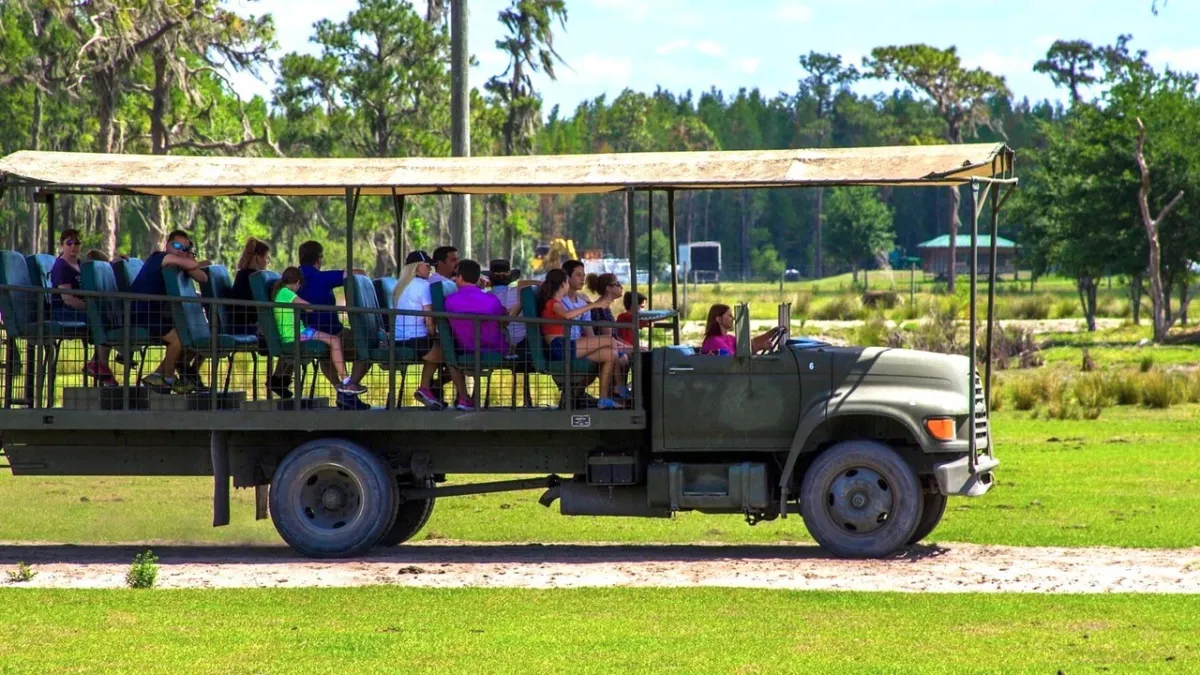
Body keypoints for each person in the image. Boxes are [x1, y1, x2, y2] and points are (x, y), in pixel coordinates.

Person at [129, 230, 210, 394]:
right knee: (178, 340)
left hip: (158, 313)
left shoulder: (177, 264)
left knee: (191, 337)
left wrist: (191, 262)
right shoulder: (160, 257)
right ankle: (168, 379)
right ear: (167, 245)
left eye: (185, 249)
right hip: (142, 312)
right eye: (177, 246)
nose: (180, 250)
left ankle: (158, 374)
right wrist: (191, 261)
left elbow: (203, 278)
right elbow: (194, 265)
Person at [295, 240, 371, 410]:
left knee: (326, 353)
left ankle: (341, 388)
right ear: (319, 259)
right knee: (368, 345)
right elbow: (359, 273)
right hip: (333, 332)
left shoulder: (293, 279)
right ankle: (349, 387)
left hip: (307, 332)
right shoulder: (322, 277)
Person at [392, 250, 470, 411]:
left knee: (441, 350)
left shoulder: (400, 286)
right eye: (427, 266)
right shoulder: (424, 286)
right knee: (450, 354)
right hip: (416, 338)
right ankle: (458, 396)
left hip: (400, 337)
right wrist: (434, 334)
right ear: (417, 267)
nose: (430, 270)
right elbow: (429, 319)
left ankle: (429, 388)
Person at [537, 268, 626, 410]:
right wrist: (593, 305)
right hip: (560, 346)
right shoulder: (553, 303)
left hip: (567, 346)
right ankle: (619, 386)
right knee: (609, 340)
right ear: (562, 285)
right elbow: (567, 315)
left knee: (611, 354)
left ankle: (604, 398)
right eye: (567, 283)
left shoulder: (556, 302)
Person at [270, 267, 365, 397]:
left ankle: (344, 382)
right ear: (297, 283)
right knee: (335, 340)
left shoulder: (280, 292)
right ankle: (346, 381)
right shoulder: (287, 293)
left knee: (332, 340)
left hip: (301, 331)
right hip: (296, 334)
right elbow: (308, 307)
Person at [50, 229, 115, 384]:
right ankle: (101, 365)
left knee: (108, 318)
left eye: (77, 242)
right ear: (61, 245)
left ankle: (97, 362)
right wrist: (91, 308)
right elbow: (68, 299)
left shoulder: (80, 264)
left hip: (81, 310)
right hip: (64, 312)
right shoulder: (61, 267)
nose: (73, 246)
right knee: (101, 319)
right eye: (69, 243)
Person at [230, 237, 292, 398]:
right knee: (290, 336)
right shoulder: (251, 277)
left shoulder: (243, 275)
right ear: (258, 257)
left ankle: (279, 378)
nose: (267, 261)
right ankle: (279, 378)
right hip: (247, 326)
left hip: (251, 323)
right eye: (266, 258)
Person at [445, 259, 508, 356]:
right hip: (495, 348)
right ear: (478, 278)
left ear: (460, 277)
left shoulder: (450, 301)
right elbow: (503, 319)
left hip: (465, 349)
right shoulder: (492, 299)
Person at [487, 259, 539, 365]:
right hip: (522, 344)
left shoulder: (487, 296)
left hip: (496, 345)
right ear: (509, 277)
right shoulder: (520, 291)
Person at [700, 303, 784, 356]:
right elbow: (733, 361)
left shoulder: (729, 338)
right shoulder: (714, 341)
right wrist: (759, 347)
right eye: (729, 316)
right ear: (719, 319)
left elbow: (751, 344)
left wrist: (772, 332)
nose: (733, 318)